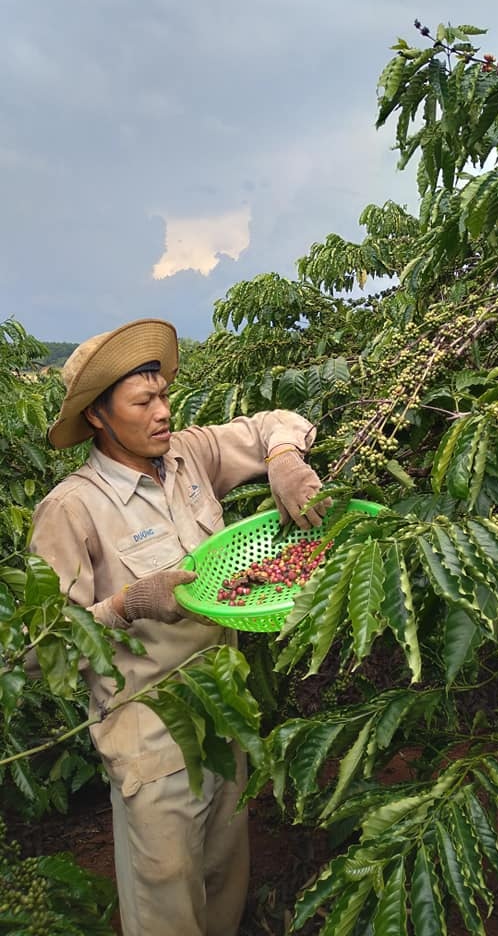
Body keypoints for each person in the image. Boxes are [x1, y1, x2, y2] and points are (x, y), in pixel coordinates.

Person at [29, 318, 330, 936]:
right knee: (168, 905)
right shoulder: (71, 509)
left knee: (224, 883)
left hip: (223, 711)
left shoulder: (188, 457)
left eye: (165, 395)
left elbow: (272, 423)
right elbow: (38, 654)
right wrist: (125, 604)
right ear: (98, 417)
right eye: (144, 402)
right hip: (150, 738)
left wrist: (283, 460)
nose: (164, 412)